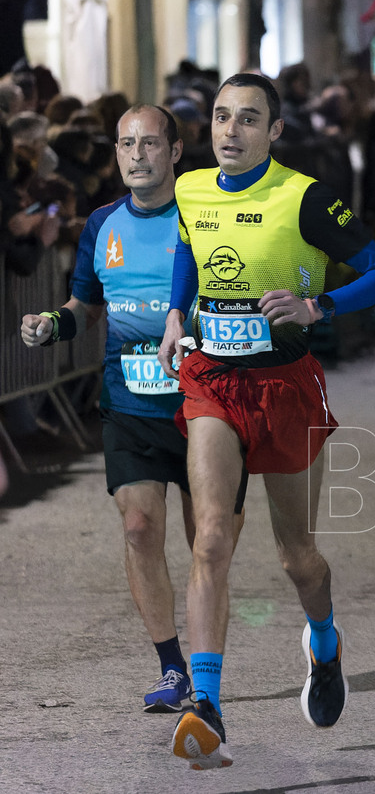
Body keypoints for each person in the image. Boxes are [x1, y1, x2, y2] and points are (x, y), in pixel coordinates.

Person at [155, 73, 375, 770]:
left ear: (275, 132)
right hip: (211, 379)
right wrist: (179, 312)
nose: (229, 131)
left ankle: (324, 640)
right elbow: (186, 249)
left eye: (248, 120)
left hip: (286, 387)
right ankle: (207, 704)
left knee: (298, 559)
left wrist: (318, 305)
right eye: (221, 117)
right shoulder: (192, 189)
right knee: (210, 539)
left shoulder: (304, 197)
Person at [20, 104, 244, 713]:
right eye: (125, 145)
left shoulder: (206, 217)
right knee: (139, 529)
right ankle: (174, 670)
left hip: (206, 406)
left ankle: (208, 675)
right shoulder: (100, 225)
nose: (136, 155)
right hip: (129, 404)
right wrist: (51, 325)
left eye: (149, 144)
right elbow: (85, 306)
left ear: (176, 152)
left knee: (209, 545)